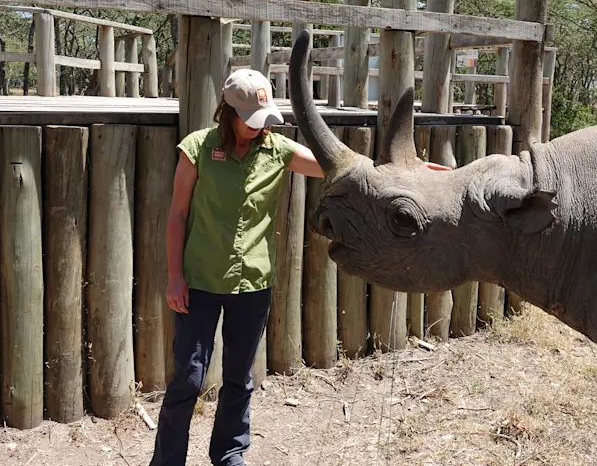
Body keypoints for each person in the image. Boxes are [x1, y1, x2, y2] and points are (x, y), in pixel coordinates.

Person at [149, 68, 450, 466]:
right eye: (250, 121)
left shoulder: (280, 151)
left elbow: (349, 167)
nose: (259, 128)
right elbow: (177, 214)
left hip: (252, 284)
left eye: (263, 120)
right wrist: (174, 278)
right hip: (199, 282)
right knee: (187, 380)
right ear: (227, 111)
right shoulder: (198, 148)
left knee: (239, 380)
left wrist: (416, 174)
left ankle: (230, 455)